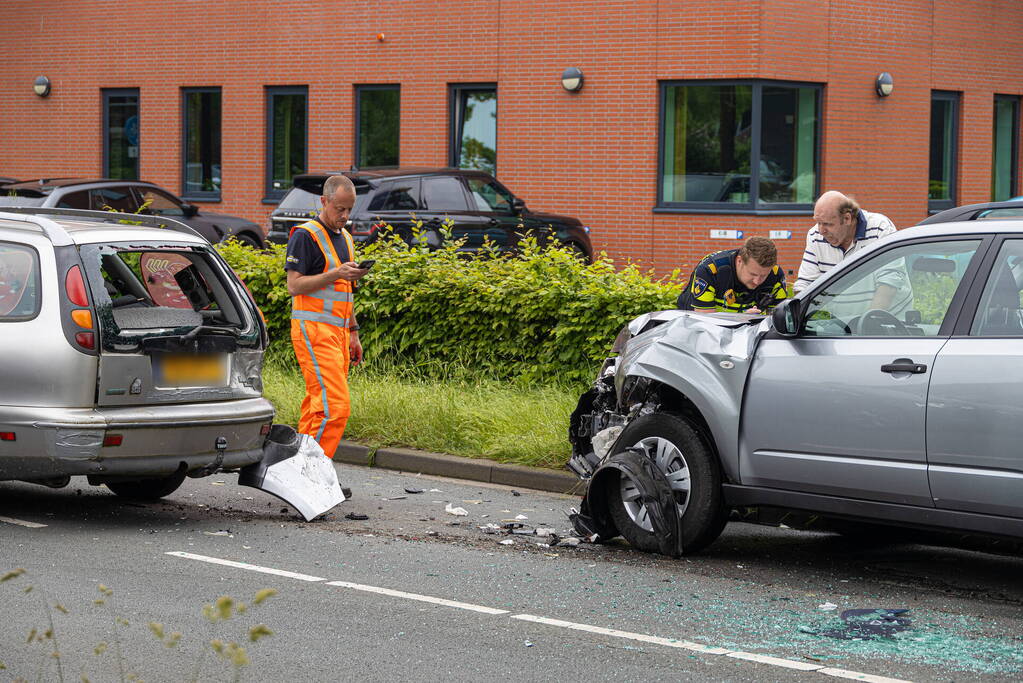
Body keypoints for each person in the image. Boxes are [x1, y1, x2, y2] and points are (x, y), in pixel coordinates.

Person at [285, 175, 370, 459]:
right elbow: (294, 286)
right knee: (336, 407)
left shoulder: (345, 237)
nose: (344, 216)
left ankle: (297, 471)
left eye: (349, 209)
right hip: (313, 330)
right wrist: (337, 273)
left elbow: (345, 293)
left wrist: (354, 333)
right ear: (324, 201)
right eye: (339, 209)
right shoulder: (305, 236)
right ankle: (313, 473)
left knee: (318, 407)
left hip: (338, 334)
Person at [794, 191, 901, 302]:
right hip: (840, 318)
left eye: (828, 224)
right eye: (818, 222)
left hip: (885, 316)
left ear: (847, 219)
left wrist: (871, 317)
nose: (821, 231)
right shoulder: (815, 235)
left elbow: (890, 282)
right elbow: (805, 283)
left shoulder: (880, 228)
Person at [677, 236, 787, 313]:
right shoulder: (711, 270)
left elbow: (777, 319)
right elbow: (705, 323)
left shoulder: (775, 275)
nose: (757, 281)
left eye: (763, 276)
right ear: (740, 261)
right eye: (752, 274)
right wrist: (742, 319)